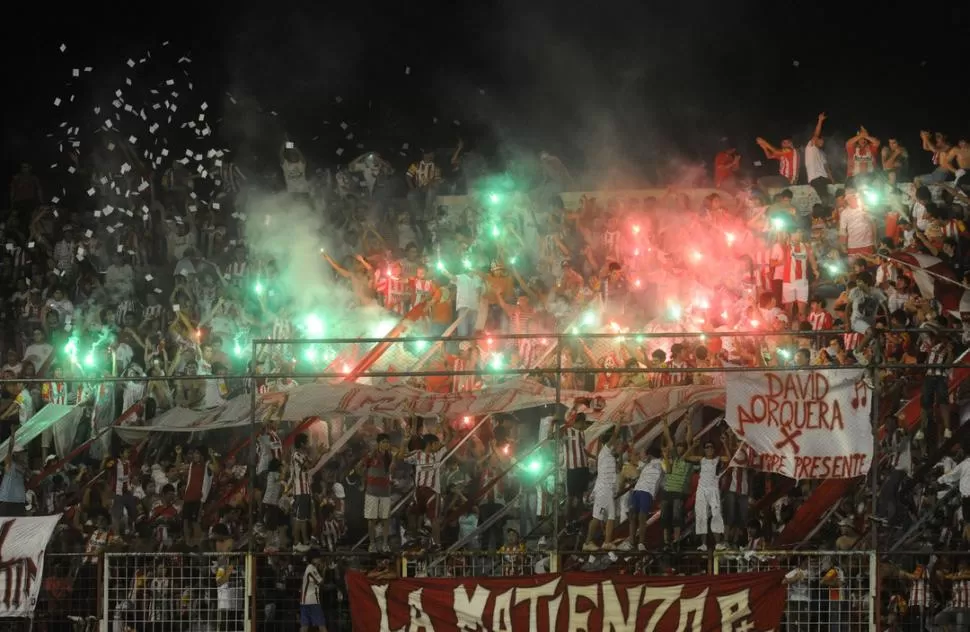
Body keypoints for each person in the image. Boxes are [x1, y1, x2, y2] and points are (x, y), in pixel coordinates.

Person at [583, 423, 622, 551]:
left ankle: (606, 542)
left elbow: (619, 468)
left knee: (609, 516)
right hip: (603, 490)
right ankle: (589, 542)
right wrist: (619, 421)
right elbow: (615, 435)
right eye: (617, 443)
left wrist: (619, 454)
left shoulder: (610, 457)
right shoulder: (604, 452)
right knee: (599, 517)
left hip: (607, 491)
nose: (619, 445)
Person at [686, 439, 729, 550]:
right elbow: (687, 457)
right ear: (704, 450)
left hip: (714, 489)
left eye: (711, 447)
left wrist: (724, 443)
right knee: (701, 516)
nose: (709, 449)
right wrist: (692, 446)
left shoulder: (718, 459)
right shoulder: (702, 459)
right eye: (707, 447)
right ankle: (703, 544)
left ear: (714, 449)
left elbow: (729, 458)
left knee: (716, 515)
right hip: (701, 490)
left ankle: (718, 543)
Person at [361, 432, 397, 552]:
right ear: (378, 444)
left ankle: (385, 544)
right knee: (372, 519)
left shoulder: (390, 456)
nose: (386, 444)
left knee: (385, 519)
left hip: (385, 492)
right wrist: (363, 483)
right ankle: (372, 544)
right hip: (371, 492)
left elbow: (392, 469)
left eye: (387, 442)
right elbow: (362, 467)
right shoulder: (371, 455)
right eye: (383, 442)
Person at [624, 446, 663, 551]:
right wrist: (632, 447)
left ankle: (641, 543)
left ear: (651, 454)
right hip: (637, 491)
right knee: (632, 517)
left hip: (648, 492)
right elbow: (635, 458)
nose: (646, 456)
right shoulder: (646, 464)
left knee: (642, 517)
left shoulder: (661, 463)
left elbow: (668, 469)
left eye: (647, 454)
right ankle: (631, 542)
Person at [805, 112, 834, 206]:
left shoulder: (822, 153)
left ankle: (831, 214)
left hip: (824, 177)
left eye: (823, 141)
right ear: (816, 140)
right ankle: (825, 215)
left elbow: (826, 167)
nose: (822, 142)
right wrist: (820, 121)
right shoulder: (810, 147)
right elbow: (816, 134)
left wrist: (832, 179)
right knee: (824, 197)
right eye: (820, 139)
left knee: (832, 196)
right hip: (815, 177)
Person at [0, 425, 27, 516]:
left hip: (19, 500)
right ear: (15, 454)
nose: (22, 455)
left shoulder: (23, 466)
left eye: (23, 453)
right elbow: (9, 450)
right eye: (20, 453)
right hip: (7, 499)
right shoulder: (10, 463)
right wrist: (12, 435)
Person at [300, 550, 328, 632]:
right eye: (318, 558)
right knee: (321, 625)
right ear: (313, 559)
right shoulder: (311, 568)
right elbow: (321, 582)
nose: (319, 560)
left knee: (304, 625)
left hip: (304, 601)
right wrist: (324, 570)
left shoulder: (309, 568)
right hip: (313, 601)